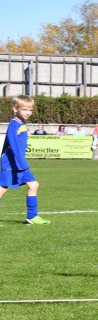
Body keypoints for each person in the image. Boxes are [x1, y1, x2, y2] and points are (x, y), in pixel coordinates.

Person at [0, 95, 52, 224]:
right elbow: (12, 144)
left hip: (19, 162)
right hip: (12, 162)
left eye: (30, 110)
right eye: (24, 109)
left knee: (34, 185)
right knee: (3, 188)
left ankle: (32, 216)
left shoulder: (22, 123)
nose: (28, 112)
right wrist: (21, 161)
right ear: (15, 109)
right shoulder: (14, 123)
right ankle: (32, 216)